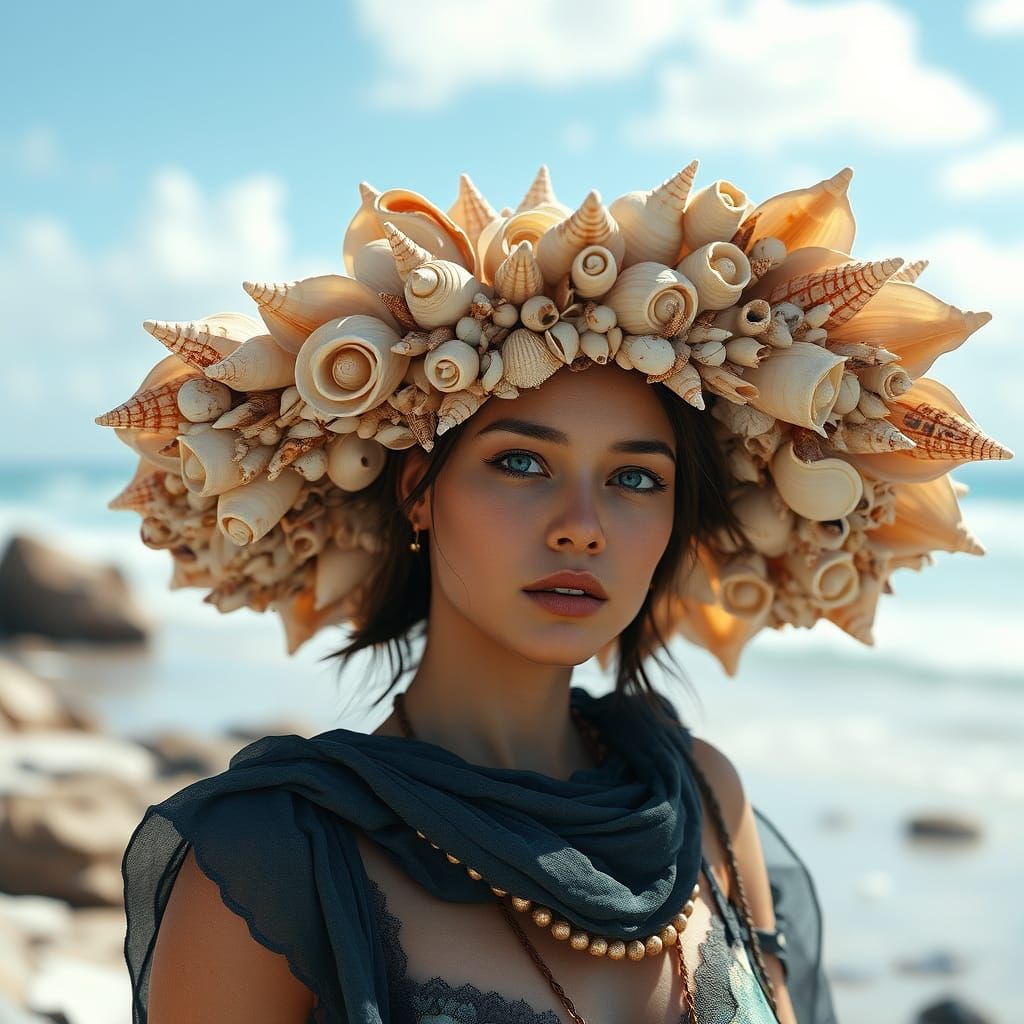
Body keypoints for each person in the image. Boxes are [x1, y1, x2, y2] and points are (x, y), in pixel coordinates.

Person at [106, 163, 1011, 1024]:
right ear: (420, 490)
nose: (583, 525)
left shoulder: (705, 801)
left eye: (637, 480)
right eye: (522, 463)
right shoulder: (270, 859)